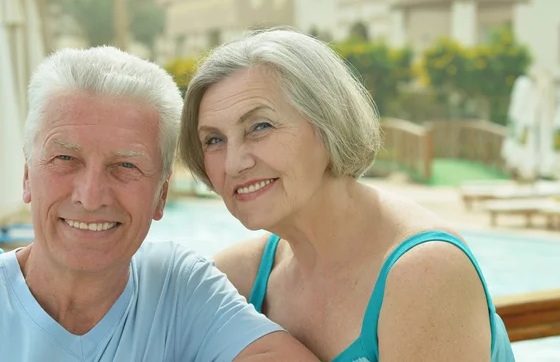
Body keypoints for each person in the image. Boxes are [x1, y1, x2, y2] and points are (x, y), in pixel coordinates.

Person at [178, 29, 515, 362]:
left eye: (260, 126)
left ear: (328, 123)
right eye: (214, 140)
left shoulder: (426, 272)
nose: (234, 163)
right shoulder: (239, 276)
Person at [0, 46, 319, 362]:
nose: (92, 196)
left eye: (126, 166)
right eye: (65, 158)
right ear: (28, 176)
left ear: (161, 195)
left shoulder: (177, 289)